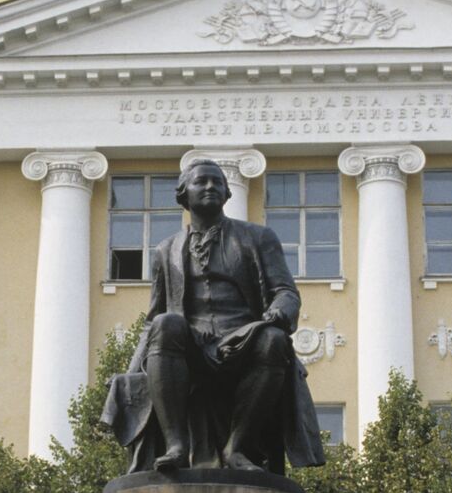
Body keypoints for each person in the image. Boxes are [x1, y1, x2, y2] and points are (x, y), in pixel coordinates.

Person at [102, 160, 326, 474]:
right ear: (183, 194)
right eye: (201, 182)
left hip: (244, 340)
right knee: (168, 324)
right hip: (191, 346)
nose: (210, 187)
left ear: (226, 193)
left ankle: (237, 447)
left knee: (274, 341)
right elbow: (154, 319)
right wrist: (129, 370)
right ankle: (177, 445)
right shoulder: (166, 250)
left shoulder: (258, 238)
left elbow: (286, 291)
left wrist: (278, 312)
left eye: (216, 182)